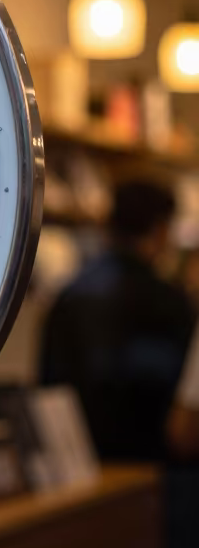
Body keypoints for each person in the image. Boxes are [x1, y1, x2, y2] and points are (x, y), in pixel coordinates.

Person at [39, 179, 195, 462]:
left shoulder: (71, 292)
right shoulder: (168, 301)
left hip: (76, 458)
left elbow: (47, 380)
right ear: (160, 230)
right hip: (149, 465)